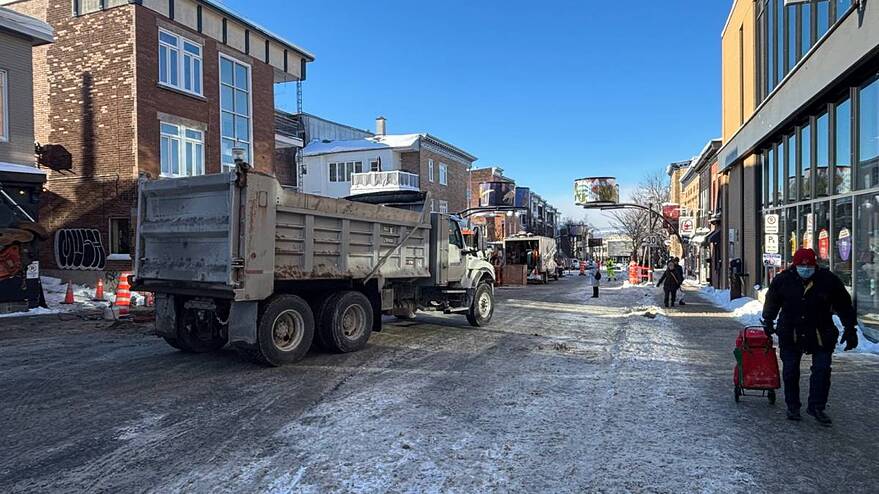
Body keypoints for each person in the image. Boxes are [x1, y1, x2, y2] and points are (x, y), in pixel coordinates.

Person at [762, 248, 859, 425]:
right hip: (791, 331)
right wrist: (768, 320)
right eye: (801, 265)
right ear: (795, 265)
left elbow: (844, 304)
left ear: (815, 265)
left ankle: (817, 407)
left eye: (809, 266)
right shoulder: (783, 280)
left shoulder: (828, 280)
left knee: (822, 370)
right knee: (791, 370)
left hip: (821, 332)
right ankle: (793, 406)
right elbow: (772, 301)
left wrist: (850, 327)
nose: (805, 269)